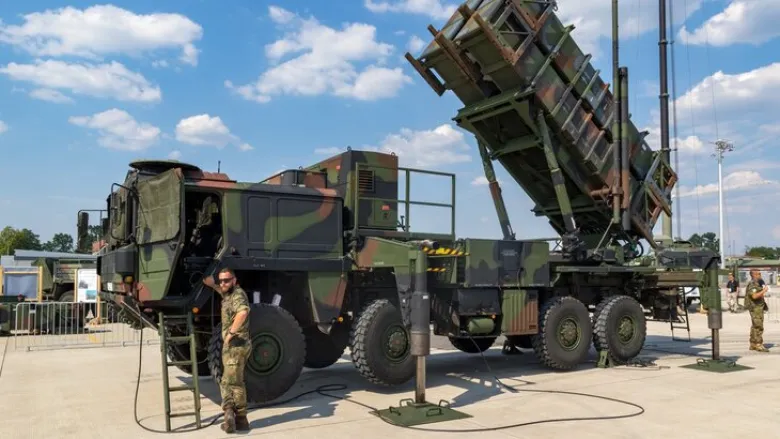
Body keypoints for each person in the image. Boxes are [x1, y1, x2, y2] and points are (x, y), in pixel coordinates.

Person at [204, 267, 251, 432]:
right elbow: (222, 291)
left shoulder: (237, 294)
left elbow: (243, 312)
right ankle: (234, 416)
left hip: (236, 345)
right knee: (228, 381)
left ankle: (239, 418)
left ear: (234, 280)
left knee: (234, 383)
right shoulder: (229, 294)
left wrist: (231, 333)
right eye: (221, 280)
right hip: (233, 346)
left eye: (226, 280)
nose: (223, 283)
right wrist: (212, 284)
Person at [744, 269, 769, 352]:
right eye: (758, 274)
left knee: (755, 326)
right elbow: (754, 296)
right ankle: (758, 344)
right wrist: (764, 290)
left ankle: (753, 344)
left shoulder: (757, 283)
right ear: (754, 275)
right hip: (755, 308)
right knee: (759, 326)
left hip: (757, 308)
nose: (760, 275)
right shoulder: (753, 284)